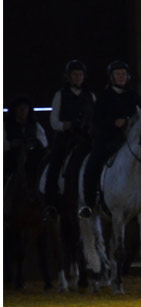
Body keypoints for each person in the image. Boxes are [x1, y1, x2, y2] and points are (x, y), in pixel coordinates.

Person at [78, 61, 141, 218]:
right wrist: (113, 122)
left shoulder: (134, 96)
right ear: (111, 77)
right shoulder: (103, 97)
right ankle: (89, 202)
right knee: (93, 163)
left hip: (130, 139)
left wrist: (128, 121)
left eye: (123, 74)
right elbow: (97, 119)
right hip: (109, 139)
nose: (121, 77)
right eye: (117, 74)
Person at [43, 60, 95, 217]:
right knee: (55, 163)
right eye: (74, 74)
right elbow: (53, 120)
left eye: (80, 74)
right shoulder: (60, 95)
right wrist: (63, 125)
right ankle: (50, 204)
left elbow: (96, 118)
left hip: (85, 138)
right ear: (69, 77)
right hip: (66, 137)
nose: (78, 77)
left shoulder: (90, 95)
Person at [4, 96, 48, 184]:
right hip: (11, 158)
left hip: (32, 159)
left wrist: (34, 143)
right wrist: (11, 144)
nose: (23, 110)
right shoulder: (6, 125)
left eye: (25, 108)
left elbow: (44, 142)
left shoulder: (34, 125)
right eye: (20, 108)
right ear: (14, 110)